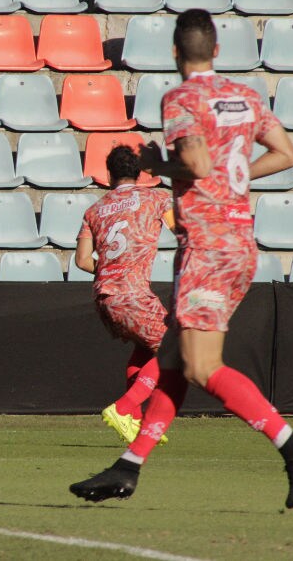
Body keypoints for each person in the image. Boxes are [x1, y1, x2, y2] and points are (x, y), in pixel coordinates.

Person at [70, 9, 293, 509]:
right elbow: (287, 154)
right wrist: (238, 178)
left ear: (174, 52)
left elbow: (198, 162)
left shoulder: (182, 97)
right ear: (218, 52)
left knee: (203, 366)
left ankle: (292, 443)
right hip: (240, 244)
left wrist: (154, 163)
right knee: (174, 359)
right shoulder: (245, 97)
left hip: (206, 244)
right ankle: (129, 466)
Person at [75, 145, 174, 445]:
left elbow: (81, 260)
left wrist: (111, 271)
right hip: (133, 294)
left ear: (109, 175)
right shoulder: (156, 198)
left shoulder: (93, 210)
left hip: (104, 296)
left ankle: (136, 421)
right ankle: (124, 408)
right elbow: (180, 231)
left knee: (145, 349)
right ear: (140, 174)